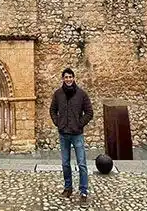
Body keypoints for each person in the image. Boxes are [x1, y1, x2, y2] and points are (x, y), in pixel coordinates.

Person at [49, 67, 94, 204]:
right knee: (65, 163)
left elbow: (89, 112)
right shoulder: (58, 94)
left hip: (77, 134)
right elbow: (52, 110)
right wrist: (58, 123)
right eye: (66, 77)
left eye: (70, 77)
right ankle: (68, 187)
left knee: (82, 164)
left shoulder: (82, 94)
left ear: (74, 78)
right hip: (63, 134)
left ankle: (84, 190)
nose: (68, 79)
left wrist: (80, 124)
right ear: (63, 79)